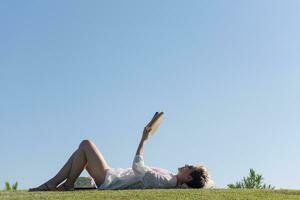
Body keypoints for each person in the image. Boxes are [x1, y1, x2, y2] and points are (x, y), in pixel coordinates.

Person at [29, 121, 213, 191]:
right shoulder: (170, 178)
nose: (186, 164)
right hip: (111, 175)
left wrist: (143, 140)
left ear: (188, 176)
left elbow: (138, 168)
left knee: (86, 144)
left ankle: (60, 185)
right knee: (81, 152)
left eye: (189, 166)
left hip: (110, 180)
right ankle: (58, 184)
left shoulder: (167, 181)